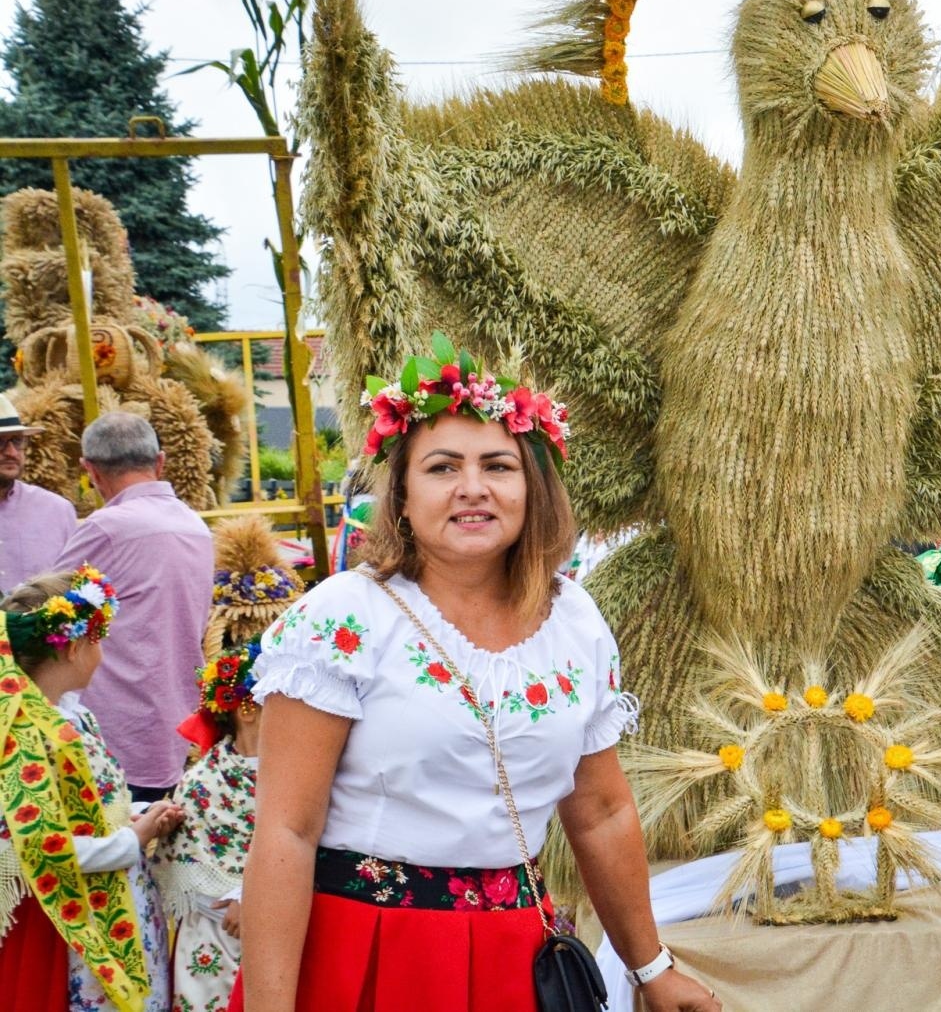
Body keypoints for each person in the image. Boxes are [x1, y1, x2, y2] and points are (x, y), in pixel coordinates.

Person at [237, 337, 717, 1012]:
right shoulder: (344, 617)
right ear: (402, 495)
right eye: (441, 467)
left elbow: (602, 811)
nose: (472, 488)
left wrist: (651, 968)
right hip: (368, 957)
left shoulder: (574, 621)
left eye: (498, 465)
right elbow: (286, 831)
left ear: (532, 491)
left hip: (517, 959)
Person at [0, 565, 183, 1012]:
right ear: (74, 648)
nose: (101, 653)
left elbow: (91, 803)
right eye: (98, 641)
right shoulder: (25, 734)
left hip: (109, 895)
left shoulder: (72, 716)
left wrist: (138, 813)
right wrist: (130, 842)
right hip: (68, 913)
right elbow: (32, 845)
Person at [54, 411, 214, 802]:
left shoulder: (105, 528)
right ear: (159, 462)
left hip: (115, 729)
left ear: (89, 470)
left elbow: (45, 611)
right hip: (176, 719)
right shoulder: (196, 525)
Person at [151, 640, 263, 1012]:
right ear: (246, 710)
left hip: (278, 929)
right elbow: (185, 865)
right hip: (209, 939)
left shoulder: (302, 774)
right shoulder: (204, 781)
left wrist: (253, 897)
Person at [0, 397, 77, 595]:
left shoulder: (56, 510)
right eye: (0, 443)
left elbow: (76, 588)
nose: (12, 452)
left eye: (17, 441)